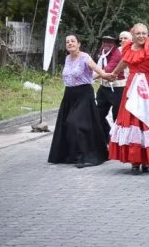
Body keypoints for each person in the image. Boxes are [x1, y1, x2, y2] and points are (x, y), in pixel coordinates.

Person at [48, 34, 112, 168]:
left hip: (84, 94)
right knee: (66, 124)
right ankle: (70, 155)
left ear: (78, 44)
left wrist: (105, 74)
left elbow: (96, 69)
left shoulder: (85, 57)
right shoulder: (67, 58)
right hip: (69, 95)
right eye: (67, 42)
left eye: (73, 41)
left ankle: (83, 156)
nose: (70, 43)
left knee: (74, 122)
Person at [109, 23, 149, 173]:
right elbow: (124, 62)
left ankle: (147, 159)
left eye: (144, 33)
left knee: (148, 120)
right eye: (138, 33)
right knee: (132, 120)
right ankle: (134, 160)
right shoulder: (128, 48)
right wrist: (114, 73)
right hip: (133, 88)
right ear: (132, 35)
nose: (141, 36)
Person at [94, 34, 125, 141]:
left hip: (117, 88)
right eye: (104, 41)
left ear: (114, 44)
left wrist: (89, 78)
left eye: (109, 42)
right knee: (97, 114)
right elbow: (98, 66)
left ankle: (119, 141)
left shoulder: (117, 54)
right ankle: (108, 137)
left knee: (117, 116)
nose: (106, 43)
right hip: (104, 87)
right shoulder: (102, 50)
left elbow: (105, 70)